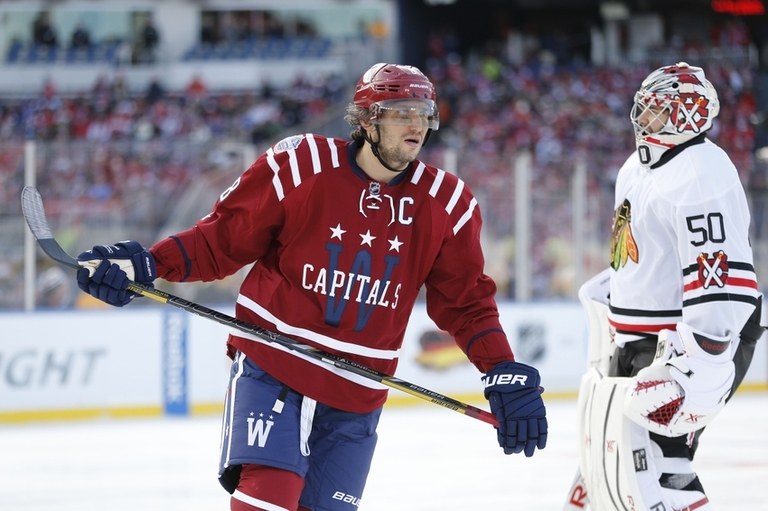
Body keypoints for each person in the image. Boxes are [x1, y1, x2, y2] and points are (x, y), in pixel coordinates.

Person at [74, 62, 548, 511]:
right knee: (267, 495)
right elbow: (221, 239)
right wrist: (149, 265)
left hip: (357, 392)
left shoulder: (448, 204)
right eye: (403, 112)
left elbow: (466, 303)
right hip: (275, 365)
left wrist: (501, 369)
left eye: (425, 114)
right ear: (367, 118)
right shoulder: (300, 165)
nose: (417, 125)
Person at [567, 62, 763, 510]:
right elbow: (630, 253)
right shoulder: (635, 168)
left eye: (657, 110)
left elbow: (717, 277)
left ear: (688, 115)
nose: (644, 118)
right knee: (607, 467)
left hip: (684, 346)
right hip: (640, 342)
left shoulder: (700, 173)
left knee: (658, 469)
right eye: (645, 107)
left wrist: (701, 366)